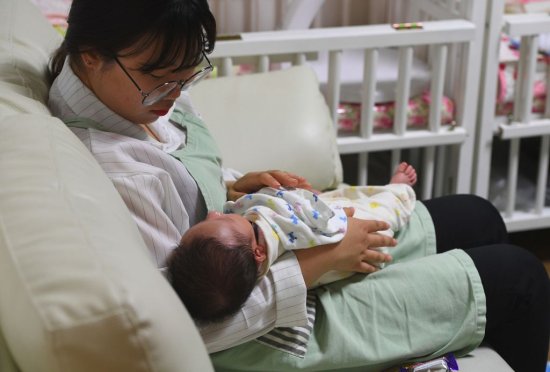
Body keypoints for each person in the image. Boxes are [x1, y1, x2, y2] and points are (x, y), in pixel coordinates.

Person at [47, 0, 550, 371]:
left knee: (478, 215)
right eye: (161, 81)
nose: (174, 95)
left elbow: (178, 174)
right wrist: (323, 262)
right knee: (521, 277)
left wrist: (230, 185)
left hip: (270, 253)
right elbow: (187, 325)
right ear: (91, 56)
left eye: (188, 76)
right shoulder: (111, 170)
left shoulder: (134, 94)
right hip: (261, 323)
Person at [168, 163, 417, 323]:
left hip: (328, 217)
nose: (214, 213)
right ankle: (399, 190)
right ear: (258, 252)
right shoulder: (278, 235)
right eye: (225, 221)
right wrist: (324, 211)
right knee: (382, 210)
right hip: (350, 232)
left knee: (348, 195)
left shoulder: (240, 252)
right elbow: (325, 228)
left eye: (209, 220)